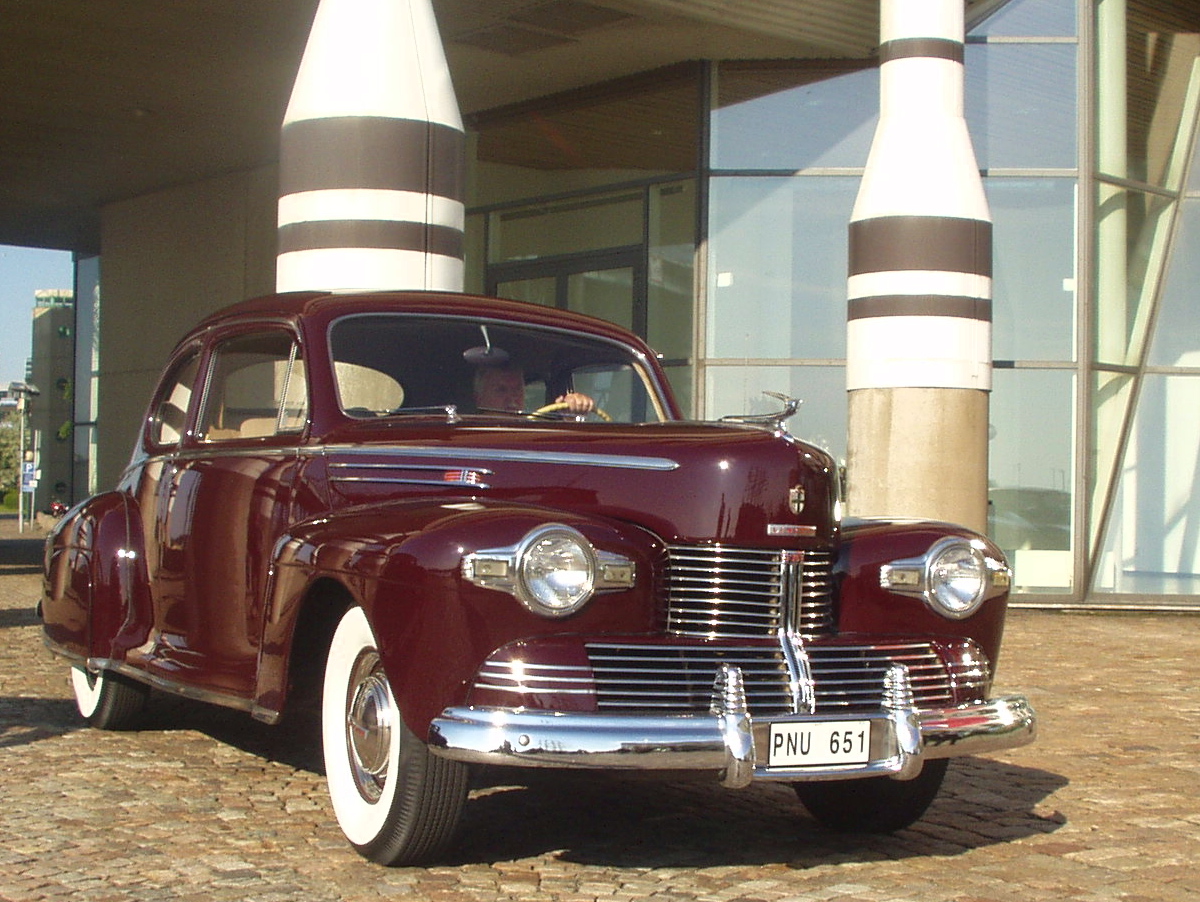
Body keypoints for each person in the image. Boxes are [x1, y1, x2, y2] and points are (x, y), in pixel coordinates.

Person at [473, 363, 594, 414]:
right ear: (479, 398)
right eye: (501, 390)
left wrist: (571, 417)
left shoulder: (535, 433)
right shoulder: (465, 434)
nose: (512, 398)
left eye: (517, 390)